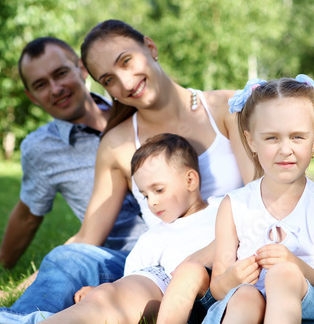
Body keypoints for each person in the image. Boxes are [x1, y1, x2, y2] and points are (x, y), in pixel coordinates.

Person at [0, 20, 314, 324]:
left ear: (150, 48)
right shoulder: (117, 141)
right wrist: (37, 272)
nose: (124, 82)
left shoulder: (224, 107)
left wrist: (230, 255)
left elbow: (267, 191)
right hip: (167, 259)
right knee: (68, 261)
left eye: (127, 62)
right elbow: (91, 234)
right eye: (108, 79)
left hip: (243, 244)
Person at [0, 37, 146, 272]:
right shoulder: (41, 148)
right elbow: (27, 215)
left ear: (82, 69)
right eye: (41, 85)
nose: (55, 89)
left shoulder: (134, 107)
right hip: (126, 261)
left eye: (61, 73)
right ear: (32, 96)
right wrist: (0, 267)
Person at [204, 76, 314, 323]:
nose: (285, 149)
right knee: (245, 295)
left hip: (305, 314)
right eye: (271, 138)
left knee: (284, 275)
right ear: (251, 141)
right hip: (244, 310)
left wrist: (295, 265)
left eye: (297, 137)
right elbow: (217, 288)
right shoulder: (234, 206)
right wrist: (233, 278)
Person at [44, 133, 218, 323]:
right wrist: (103, 292)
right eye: (145, 195)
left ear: (190, 181)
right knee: (104, 296)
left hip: (223, 288)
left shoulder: (225, 208)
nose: (152, 202)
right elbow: (130, 280)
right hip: (173, 298)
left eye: (159, 190)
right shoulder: (154, 236)